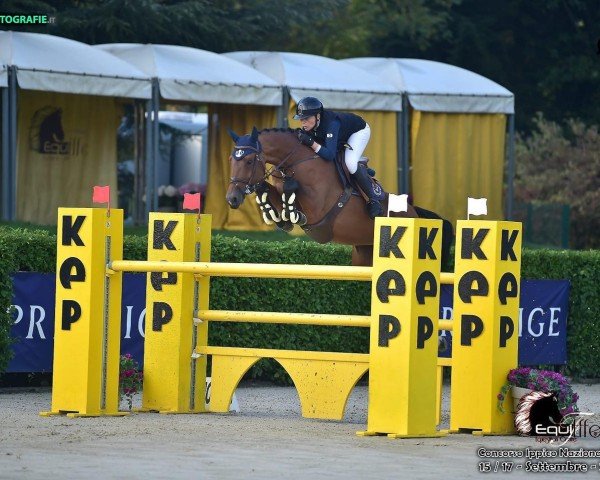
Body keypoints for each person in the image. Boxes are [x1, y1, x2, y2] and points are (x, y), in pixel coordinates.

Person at [294, 96, 383, 218]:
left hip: (358, 131)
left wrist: (311, 143)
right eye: (301, 119)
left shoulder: (332, 124)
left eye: (306, 118)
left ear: (318, 116)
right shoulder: (313, 125)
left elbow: (330, 155)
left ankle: (373, 199)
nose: (303, 122)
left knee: (350, 163)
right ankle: (362, 170)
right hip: (341, 134)